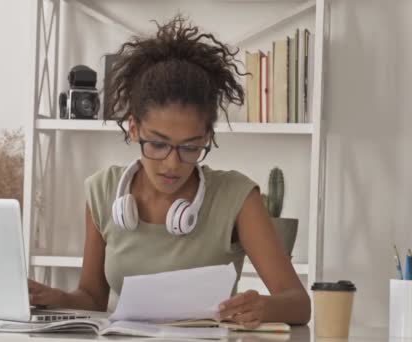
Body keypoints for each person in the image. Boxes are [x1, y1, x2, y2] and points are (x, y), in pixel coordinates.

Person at [28, 15, 311, 328]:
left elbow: (298, 304)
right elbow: (93, 298)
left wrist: (265, 307)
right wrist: (50, 296)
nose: (172, 164)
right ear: (133, 128)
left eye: (190, 147)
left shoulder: (236, 197)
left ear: (207, 137)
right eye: (159, 145)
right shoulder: (103, 190)